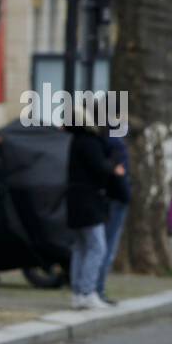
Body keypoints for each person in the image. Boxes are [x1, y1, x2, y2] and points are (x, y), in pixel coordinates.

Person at [66, 120, 127, 311]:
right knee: (97, 247)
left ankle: (78, 292)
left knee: (81, 247)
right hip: (89, 202)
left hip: (76, 200)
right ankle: (87, 291)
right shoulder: (90, 142)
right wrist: (114, 168)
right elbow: (100, 167)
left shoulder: (76, 140)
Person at [94, 134, 130, 306]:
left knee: (97, 247)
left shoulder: (99, 139)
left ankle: (91, 289)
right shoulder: (114, 141)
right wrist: (125, 195)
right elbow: (118, 172)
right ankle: (96, 289)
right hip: (115, 199)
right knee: (105, 247)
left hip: (106, 197)